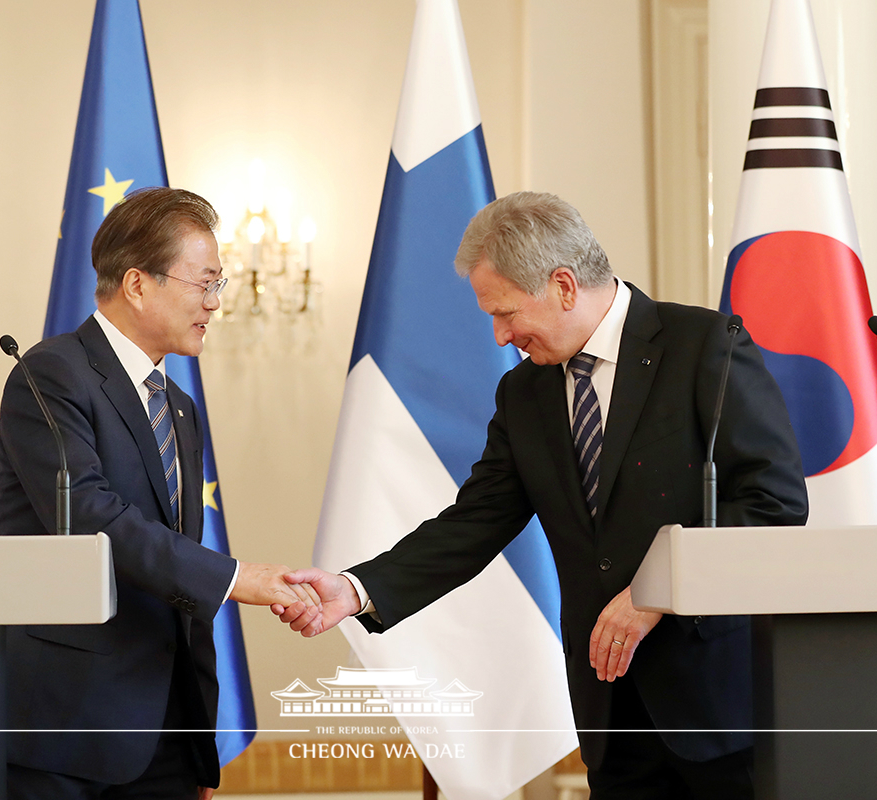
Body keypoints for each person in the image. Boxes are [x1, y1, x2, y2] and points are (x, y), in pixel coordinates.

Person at [282, 192, 808, 799]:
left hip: (718, 705)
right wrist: (355, 590)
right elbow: (475, 521)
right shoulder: (524, 394)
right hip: (611, 708)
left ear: (562, 284)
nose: (502, 336)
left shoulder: (704, 346)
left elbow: (773, 501)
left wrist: (656, 590)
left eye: (505, 313)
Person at [0, 187, 314, 800]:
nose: (215, 304)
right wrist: (234, 576)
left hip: (169, 729)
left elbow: (171, 567)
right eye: (205, 284)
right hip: (72, 730)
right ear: (138, 285)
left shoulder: (179, 408)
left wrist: (200, 740)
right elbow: (88, 516)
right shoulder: (51, 374)